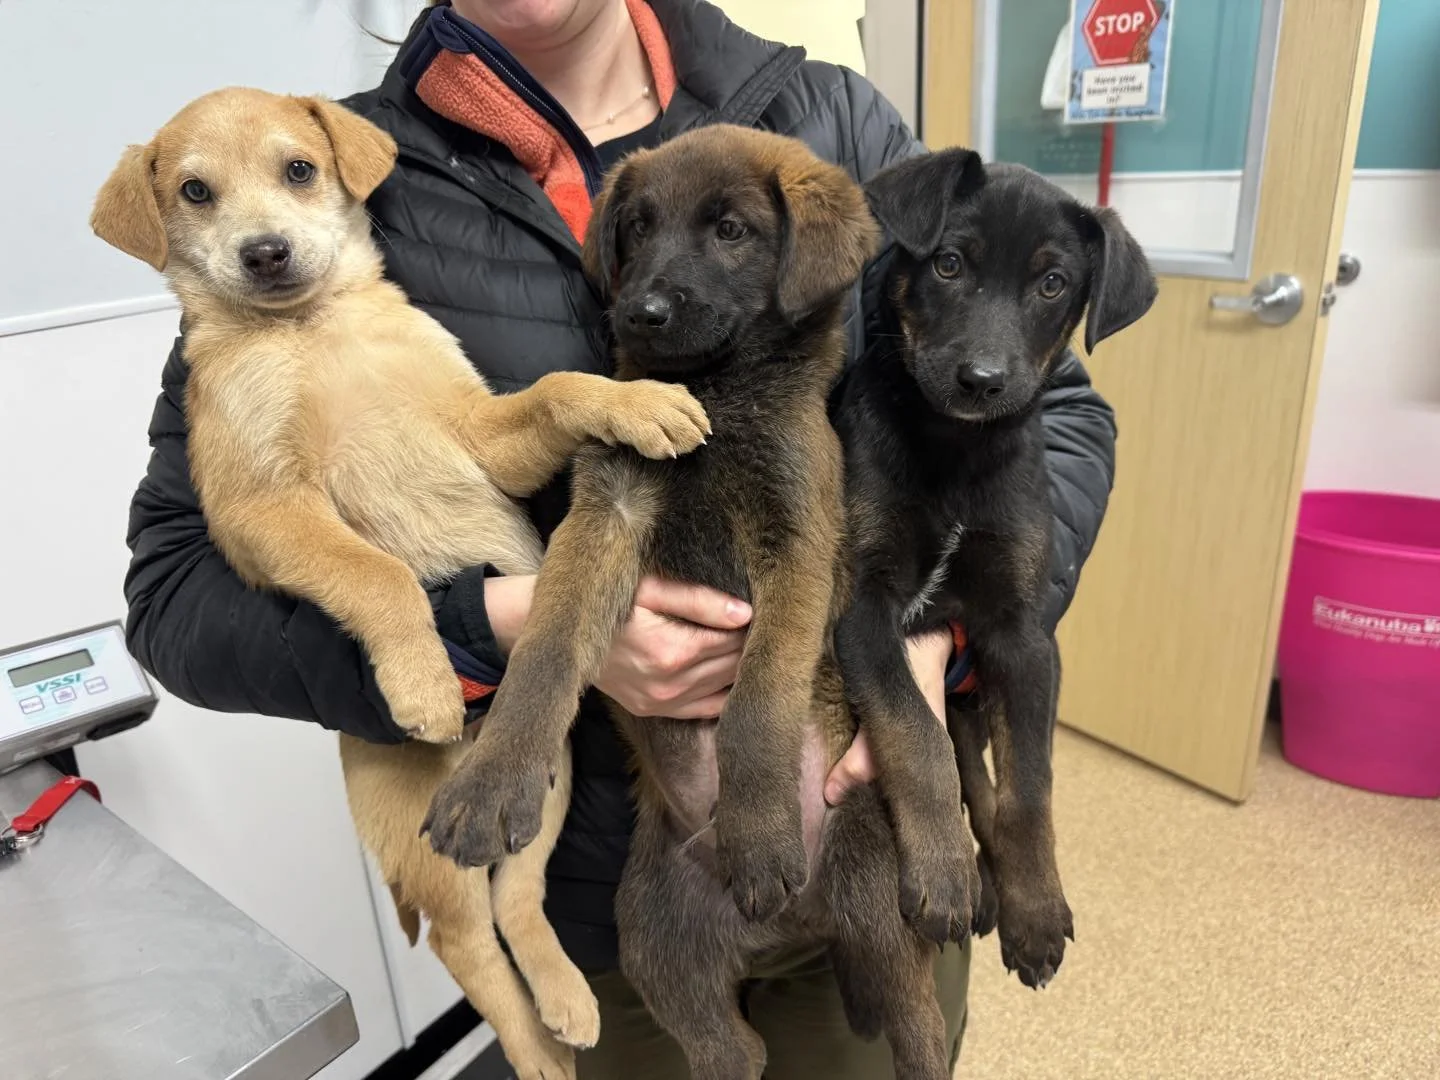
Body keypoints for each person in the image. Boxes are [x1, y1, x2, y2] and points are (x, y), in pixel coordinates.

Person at [123, 1, 1117, 1075]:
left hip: (870, 810)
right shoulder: (341, 175)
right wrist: (481, 628)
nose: (648, 289)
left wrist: (929, 637)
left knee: (896, 1032)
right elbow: (176, 596)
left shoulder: (828, 115)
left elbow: (1046, 411)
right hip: (615, 884)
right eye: (637, 238)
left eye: (728, 233)